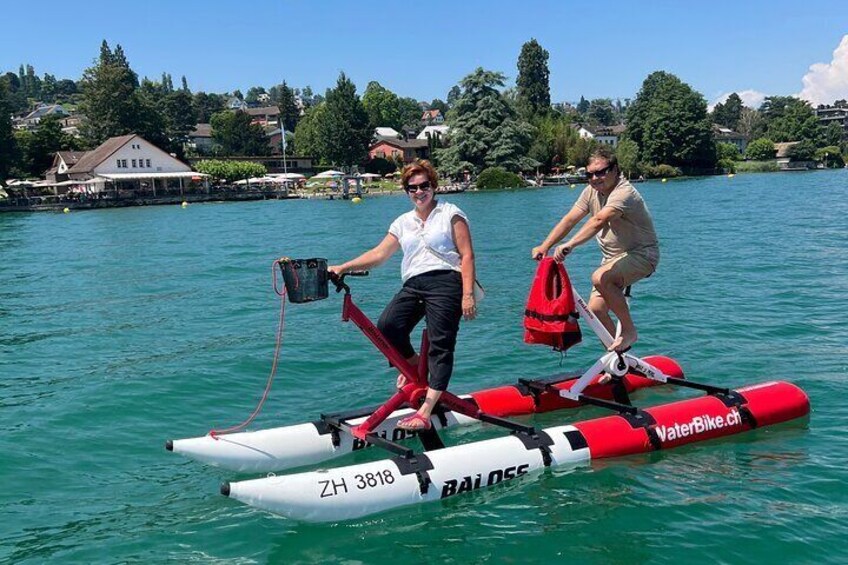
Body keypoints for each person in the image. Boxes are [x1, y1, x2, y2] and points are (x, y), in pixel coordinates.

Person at [329, 160, 477, 431]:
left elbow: (466, 255)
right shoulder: (403, 222)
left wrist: (467, 294)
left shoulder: (451, 213)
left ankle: (426, 409)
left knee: (440, 343)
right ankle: (415, 373)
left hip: (446, 281)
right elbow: (378, 254)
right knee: (387, 326)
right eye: (413, 188)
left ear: (433, 185)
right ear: (406, 191)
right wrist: (343, 266)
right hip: (414, 284)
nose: (419, 192)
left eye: (424, 186)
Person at [531, 146, 659, 353]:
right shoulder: (591, 191)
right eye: (589, 174)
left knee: (600, 278)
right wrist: (545, 246)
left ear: (615, 169)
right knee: (596, 310)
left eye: (601, 172)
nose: (595, 178)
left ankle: (629, 331)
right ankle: (620, 360)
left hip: (643, 255)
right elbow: (570, 219)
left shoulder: (624, 192)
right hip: (612, 258)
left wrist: (570, 244)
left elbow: (599, 220)